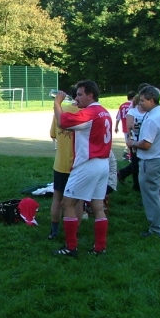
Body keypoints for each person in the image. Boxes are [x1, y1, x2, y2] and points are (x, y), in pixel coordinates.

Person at [52, 80, 112, 257]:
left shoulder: (90, 113)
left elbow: (62, 121)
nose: (76, 98)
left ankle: (71, 247)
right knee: (98, 206)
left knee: (68, 203)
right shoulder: (104, 111)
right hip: (103, 163)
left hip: (87, 164)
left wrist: (57, 103)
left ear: (90, 95)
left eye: (79, 94)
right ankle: (100, 247)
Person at [126, 85, 160, 236]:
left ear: (151, 100)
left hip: (151, 161)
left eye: (142, 101)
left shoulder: (152, 118)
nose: (140, 104)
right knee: (159, 194)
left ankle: (157, 228)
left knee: (151, 196)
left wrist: (132, 143)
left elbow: (146, 144)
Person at [47, 86, 83, 240]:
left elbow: (53, 134)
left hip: (60, 163)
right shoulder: (85, 113)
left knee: (57, 197)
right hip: (79, 164)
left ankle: (54, 231)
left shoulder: (59, 111)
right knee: (78, 200)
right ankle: (75, 231)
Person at [118, 94, 145, 191]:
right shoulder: (132, 111)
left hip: (145, 139)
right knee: (136, 163)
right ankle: (136, 186)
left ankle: (122, 174)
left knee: (140, 162)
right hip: (135, 141)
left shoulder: (149, 112)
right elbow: (129, 127)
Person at [115, 91, 136, 160]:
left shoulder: (122, 105)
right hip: (131, 127)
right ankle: (128, 155)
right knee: (132, 142)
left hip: (124, 127)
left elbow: (118, 117)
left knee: (128, 141)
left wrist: (116, 126)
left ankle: (128, 155)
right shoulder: (133, 105)